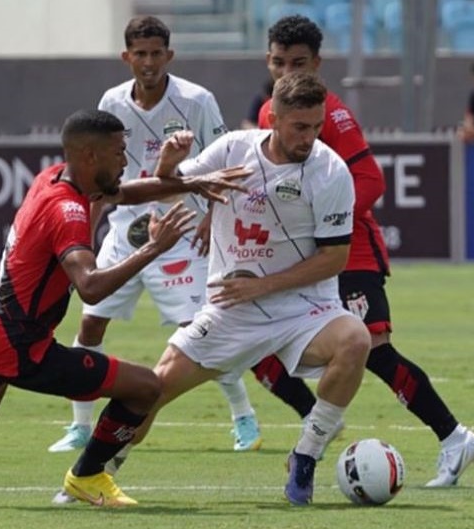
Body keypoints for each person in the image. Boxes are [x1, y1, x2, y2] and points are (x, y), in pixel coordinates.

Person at [0, 108, 251, 509]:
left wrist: (194, 183)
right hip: (19, 346)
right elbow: (90, 287)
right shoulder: (67, 212)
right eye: (118, 151)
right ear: (90, 156)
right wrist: (153, 249)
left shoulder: (54, 177)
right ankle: (87, 477)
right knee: (145, 387)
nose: (124, 160)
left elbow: (120, 193)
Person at [86, 70, 373, 507]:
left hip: (303, 307)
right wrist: (167, 161)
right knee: (151, 390)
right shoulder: (232, 150)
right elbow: (169, 190)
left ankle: (305, 457)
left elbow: (334, 258)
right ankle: (98, 470)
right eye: (299, 127)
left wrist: (264, 286)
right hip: (229, 308)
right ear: (272, 118)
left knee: (355, 340)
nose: (309, 137)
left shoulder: (331, 171)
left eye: (316, 127)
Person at [255, 15, 474, 488]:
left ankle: (454, 437)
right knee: (257, 340)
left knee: (375, 352)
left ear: (317, 64)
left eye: (297, 63)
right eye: (279, 62)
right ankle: (315, 422)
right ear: (268, 61)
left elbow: (372, 180)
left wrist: (326, 225)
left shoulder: (332, 114)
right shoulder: (269, 113)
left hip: (350, 255)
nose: (286, 71)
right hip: (304, 259)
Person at [48, 15, 265, 458]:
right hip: (126, 229)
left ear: (169, 55)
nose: (148, 62)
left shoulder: (197, 101)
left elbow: (227, 159)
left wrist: (212, 218)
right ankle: (79, 426)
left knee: (199, 329)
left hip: (182, 227)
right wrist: (87, 230)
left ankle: (243, 417)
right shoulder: (112, 100)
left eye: (156, 54)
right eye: (139, 54)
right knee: (91, 321)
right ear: (126, 57)